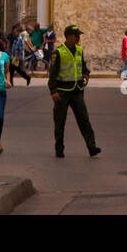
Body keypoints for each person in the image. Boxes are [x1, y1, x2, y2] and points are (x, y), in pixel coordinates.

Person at [48, 24, 101, 159]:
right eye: (77, 36)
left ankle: (92, 147)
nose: (78, 39)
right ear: (70, 37)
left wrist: (86, 73)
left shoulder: (79, 50)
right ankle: (59, 149)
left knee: (84, 119)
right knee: (60, 121)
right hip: (62, 91)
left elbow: (82, 66)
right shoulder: (58, 52)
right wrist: (53, 91)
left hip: (77, 90)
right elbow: (52, 74)